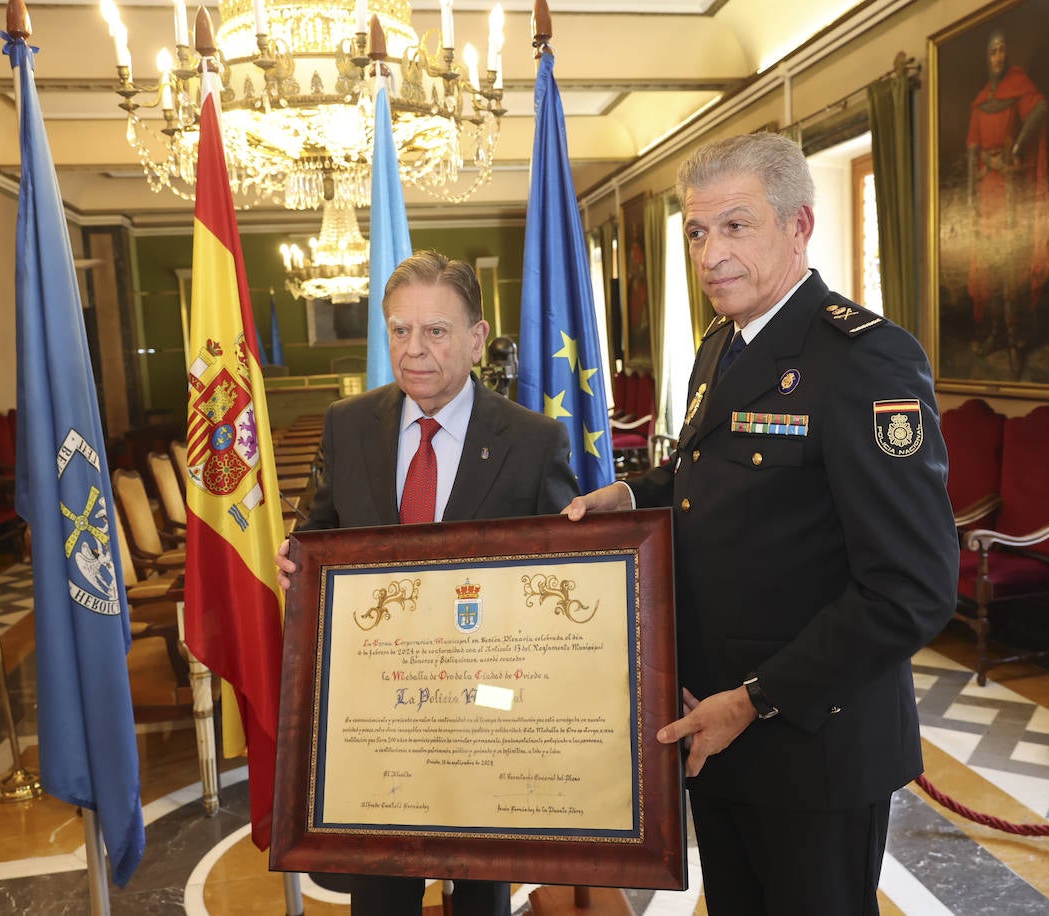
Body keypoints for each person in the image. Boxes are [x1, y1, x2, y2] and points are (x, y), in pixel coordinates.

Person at [562, 132, 958, 915]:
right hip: (715, 726)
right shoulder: (722, 343)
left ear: (799, 224)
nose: (712, 255)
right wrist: (636, 496)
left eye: (736, 226)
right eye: (699, 232)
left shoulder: (865, 361)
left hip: (812, 738)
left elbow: (913, 589)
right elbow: (711, 478)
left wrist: (754, 699)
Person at [274, 250, 579, 916]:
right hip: (379, 715)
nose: (414, 350)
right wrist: (294, 561)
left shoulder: (534, 442)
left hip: (490, 714)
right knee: (380, 898)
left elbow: (561, 584)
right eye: (399, 331)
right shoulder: (347, 425)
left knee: (479, 897)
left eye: (435, 331)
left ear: (475, 338)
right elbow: (315, 536)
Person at [965, 28, 1049, 358]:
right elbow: (973, 150)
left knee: (1011, 267)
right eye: (993, 52)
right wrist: (972, 194)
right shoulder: (980, 101)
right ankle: (996, 333)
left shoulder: (1019, 85)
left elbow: (1040, 109)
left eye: (1002, 51)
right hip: (987, 191)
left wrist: (1016, 147)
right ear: (988, 58)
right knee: (988, 265)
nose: (998, 57)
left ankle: (1015, 336)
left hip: (1011, 191)